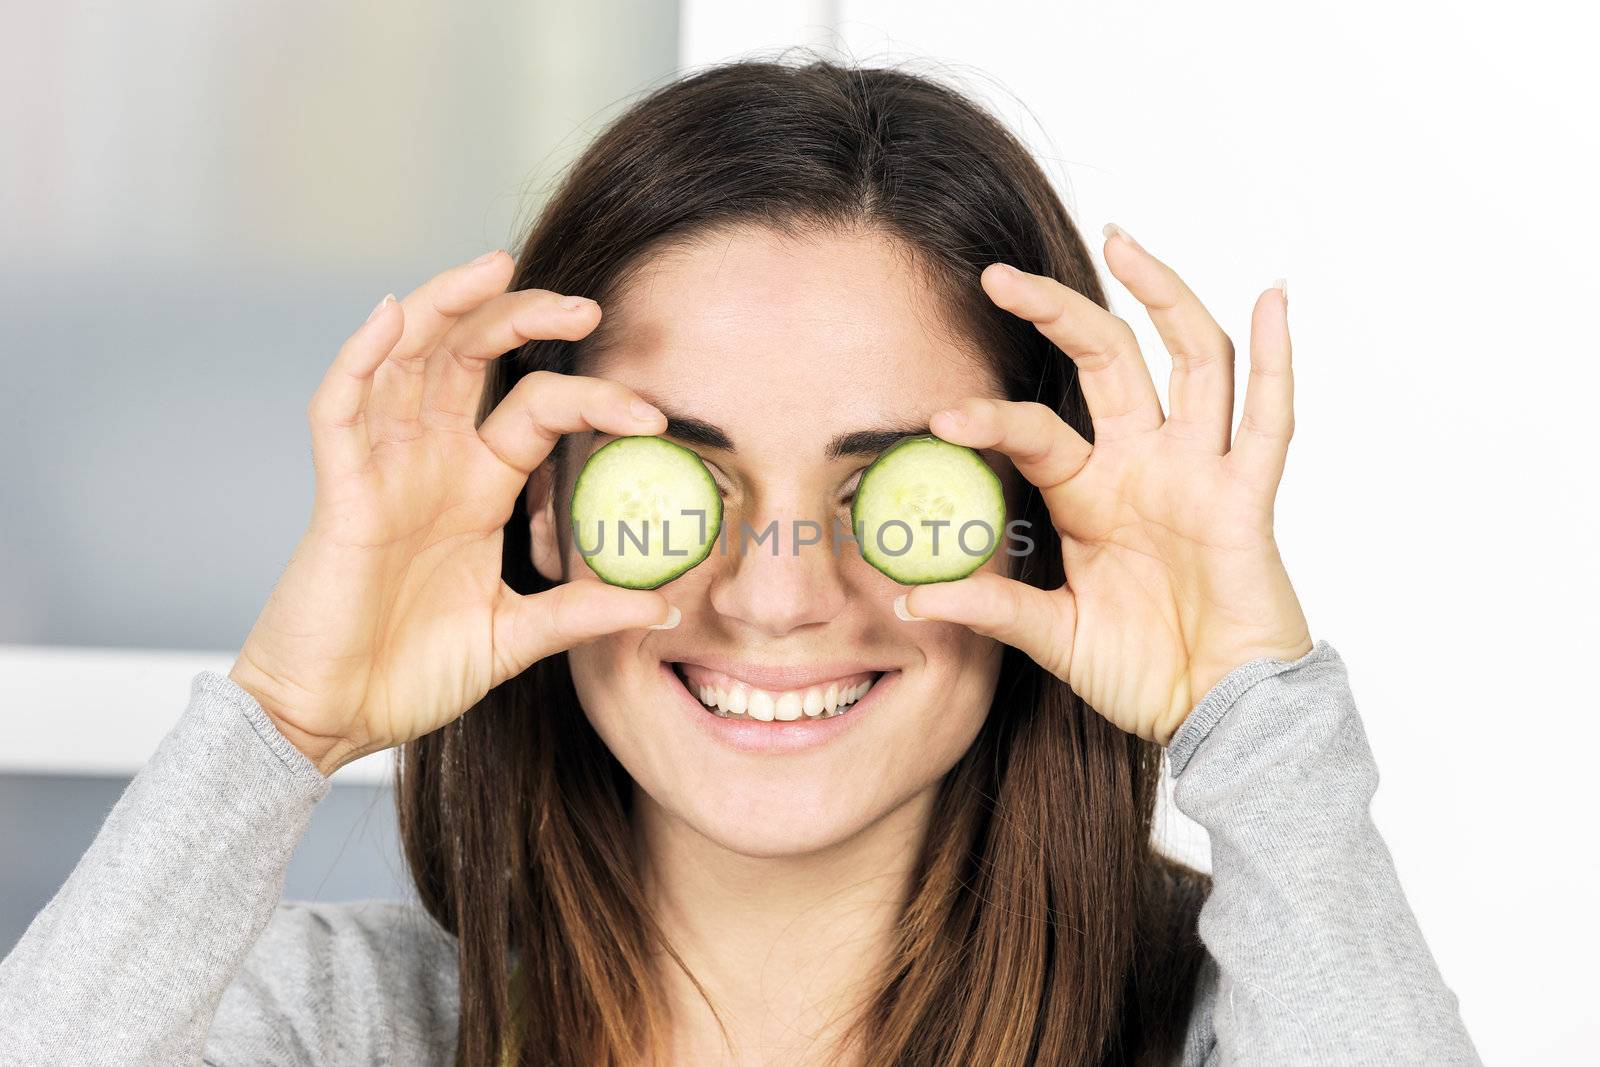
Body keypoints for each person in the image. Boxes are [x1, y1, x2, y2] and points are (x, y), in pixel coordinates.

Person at [0, 58, 1479, 1066]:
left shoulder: (1229, 1030)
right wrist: (277, 724)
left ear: (1040, 527)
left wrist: (1252, 707)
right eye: (680, 490)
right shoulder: (341, 1026)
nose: (778, 597)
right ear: (538, 514)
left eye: (892, 493)